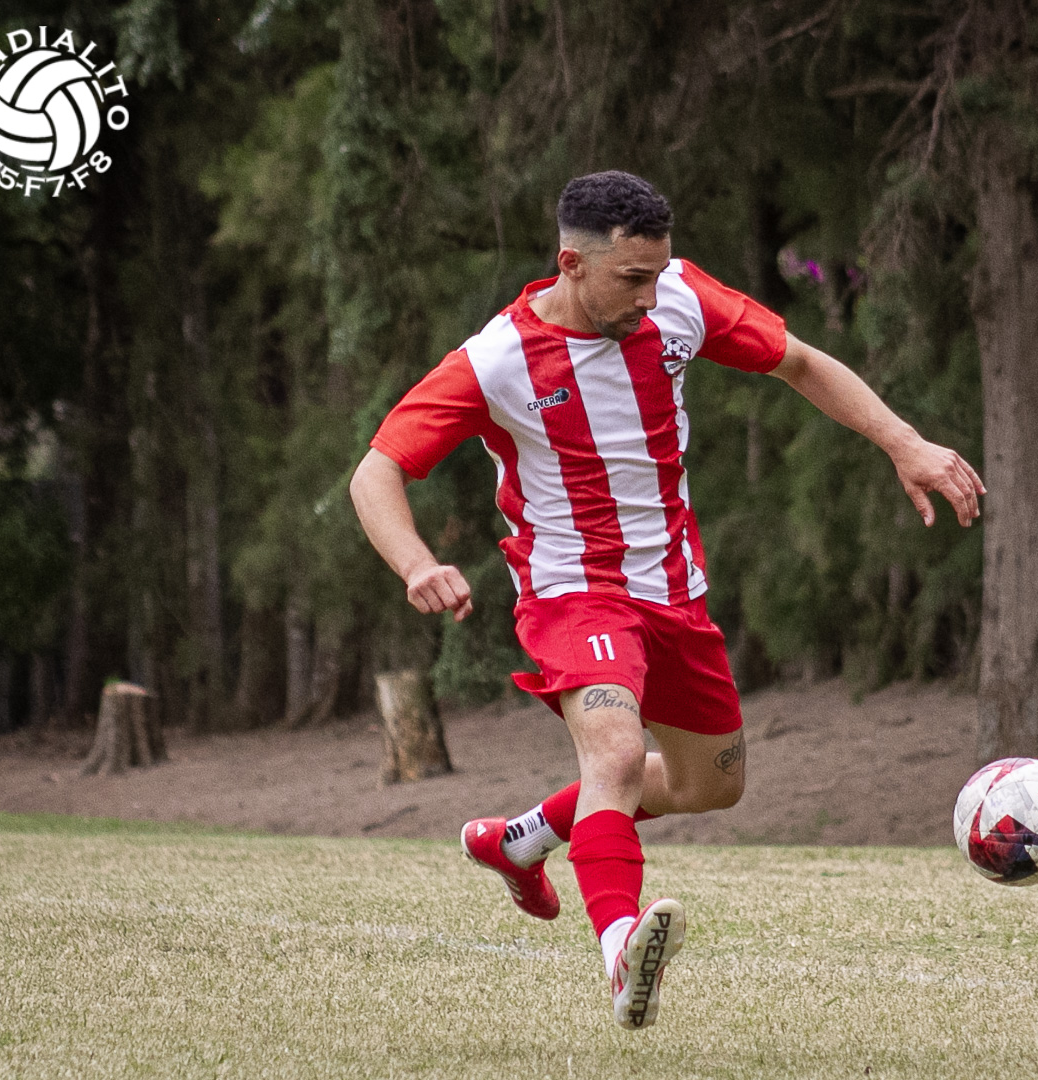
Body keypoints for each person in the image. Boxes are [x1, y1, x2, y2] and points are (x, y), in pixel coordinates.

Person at [349, 170, 983, 1030]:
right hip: (574, 593)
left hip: (676, 595)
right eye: (631, 279)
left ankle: (520, 840)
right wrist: (416, 562)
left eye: (657, 274)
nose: (649, 296)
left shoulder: (678, 297)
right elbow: (377, 470)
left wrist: (904, 443)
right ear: (571, 264)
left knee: (710, 784)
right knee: (614, 755)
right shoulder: (496, 360)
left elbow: (798, 361)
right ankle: (621, 953)